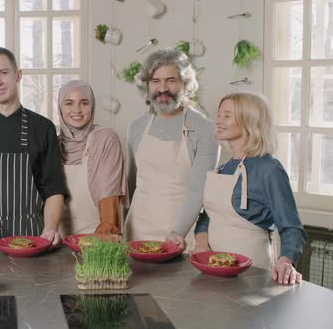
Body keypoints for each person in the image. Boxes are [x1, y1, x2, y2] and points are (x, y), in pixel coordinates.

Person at [0, 47, 66, 252]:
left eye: (3, 73)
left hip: (34, 238)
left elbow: (54, 190)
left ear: (18, 75)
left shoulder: (43, 128)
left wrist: (50, 229)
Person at [193, 92, 306, 285]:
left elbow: (292, 228)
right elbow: (208, 215)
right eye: (219, 114)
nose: (218, 121)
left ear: (249, 121)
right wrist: (202, 246)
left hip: (252, 274)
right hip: (214, 270)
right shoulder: (224, 167)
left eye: (227, 116)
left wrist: (286, 261)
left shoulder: (269, 168)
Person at [126, 48, 219, 250]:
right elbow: (132, 184)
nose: (163, 88)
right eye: (156, 81)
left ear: (185, 84)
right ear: (147, 86)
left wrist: (178, 233)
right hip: (138, 230)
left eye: (171, 80)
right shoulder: (136, 127)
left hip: (182, 235)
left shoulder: (204, 128)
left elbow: (198, 190)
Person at [57, 80, 127, 237]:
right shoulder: (53, 144)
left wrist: (107, 228)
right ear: (60, 107)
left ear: (92, 106)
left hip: (97, 238)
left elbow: (109, 191)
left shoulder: (105, 139)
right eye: (69, 103)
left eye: (84, 103)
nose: (77, 109)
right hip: (58, 239)